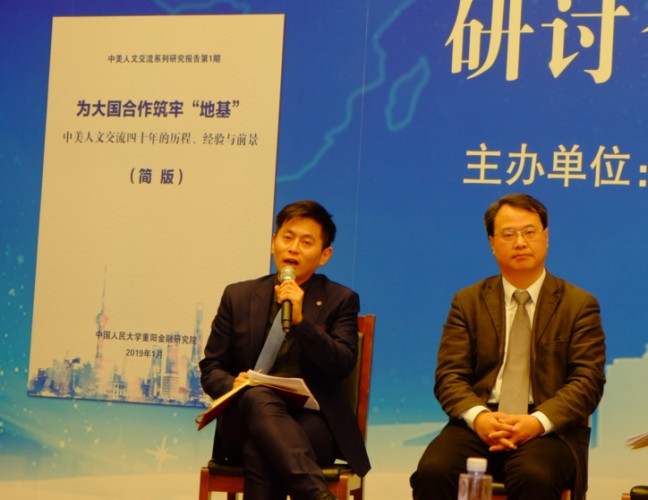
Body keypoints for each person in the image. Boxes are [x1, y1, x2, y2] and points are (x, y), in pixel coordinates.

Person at [410, 193, 606, 500]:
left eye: (529, 232)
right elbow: (449, 376)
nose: (520, 242)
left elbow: (588, 381)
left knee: (534, 476)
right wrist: (480, 417)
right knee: (434, 471)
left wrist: (536, 422)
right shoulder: (468, 302)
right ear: (492, 243)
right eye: (508, 234)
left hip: (547, 429)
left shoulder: (578, 305)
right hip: (479, 422)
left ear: (546, 237)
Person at [200, 200, 370, 500]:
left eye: (306, 242)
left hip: (311, 422)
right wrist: (234, 384)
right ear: (272, 242)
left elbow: (342, 363)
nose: (293, 248)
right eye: (287, 238)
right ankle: (317, 495)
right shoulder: (237, 296)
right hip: (243, 419)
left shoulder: (340, 300)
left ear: (324, 255)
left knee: (262, 448)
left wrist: (303, 323)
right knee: (256, 395)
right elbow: (212, 368)